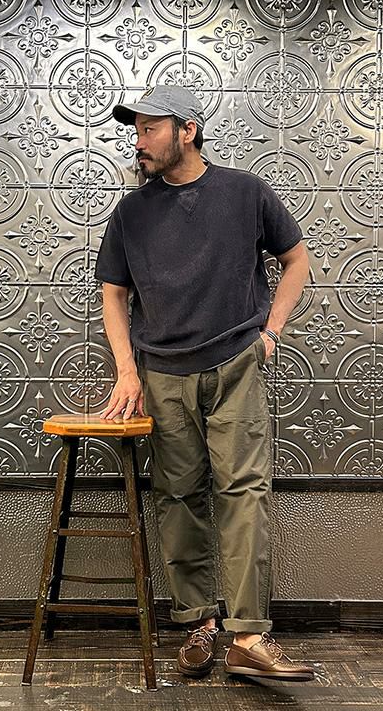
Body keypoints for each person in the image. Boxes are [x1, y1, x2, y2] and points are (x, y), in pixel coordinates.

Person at [95, 84, 314, 681]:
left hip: (235, 365)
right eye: (136, 131)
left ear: (187, 130)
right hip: (163, 373)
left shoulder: (246, 193)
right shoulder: (131, 212)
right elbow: (114, 295)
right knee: (178, 498)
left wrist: (271, 332)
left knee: (245, 493)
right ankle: (198, 624)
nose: (138, 141)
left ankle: (248, 637)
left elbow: (296, 260)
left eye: (149, 129)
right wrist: (126, 370)